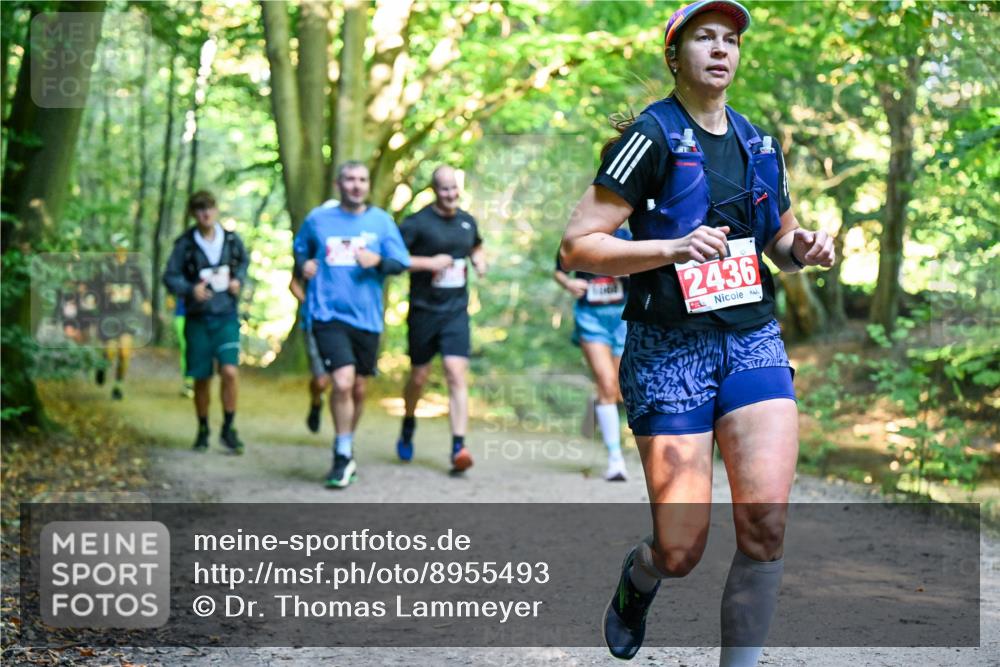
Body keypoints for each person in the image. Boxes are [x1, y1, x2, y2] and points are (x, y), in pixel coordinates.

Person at [559, 2, 834, 663]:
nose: (721, 49)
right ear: (675, 54)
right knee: (681, 548)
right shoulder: (651, 137)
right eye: (704, 37)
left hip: (751, 340)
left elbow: (778, 240)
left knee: (765, 525)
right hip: (667, 349)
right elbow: (578, 245)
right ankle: (642, 575)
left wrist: (807, 247)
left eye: (731, 39)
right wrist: (674, 248)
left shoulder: (759, 143)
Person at [293, 162, 410, 488]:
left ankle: (345, 441)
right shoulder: (318, 219)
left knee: (358, 388)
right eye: (349, 179)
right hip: (327, 313)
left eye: (361, 180)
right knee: (342, 382)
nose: (356, 185)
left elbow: (401, 263)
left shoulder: (382, 222)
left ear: (368, 185)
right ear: (338, 183)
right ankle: (342, 455)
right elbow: (300, 253)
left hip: (367, 318)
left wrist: (378, 261)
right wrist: (306, 267)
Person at [395, 165, 486, 473]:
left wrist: (479, 261)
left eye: (454, 188)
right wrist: (428, 262)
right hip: (423, 311)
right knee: (418, 377)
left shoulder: (466, 221)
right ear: (434, 190)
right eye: (445, 189)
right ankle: (408, 422)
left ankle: (459, 447)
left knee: (455, 372)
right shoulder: (417, 223)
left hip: (455, 312)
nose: (451, 195)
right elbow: (393, 258)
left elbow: (476, 244)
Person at [163, 191, 249, 454]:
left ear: (216, 209)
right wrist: (190, 290)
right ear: (193, 213)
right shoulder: (185, 245)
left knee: (230, 372)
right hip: (197, 318)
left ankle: (229, 427)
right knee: (202, 377)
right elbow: (170, 277)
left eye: (209, 208)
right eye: (200, 209)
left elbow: (244, 264)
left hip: (226, 316)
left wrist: (238, 281)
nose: (205, 214)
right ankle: (202, 428)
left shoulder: (232, 240)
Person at [553, 226, 631, 481]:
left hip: (623, 317)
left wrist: (627, 271)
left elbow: (645, 265)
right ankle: (615, 459)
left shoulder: (626, 236)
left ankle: (597, 404)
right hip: (591, 318)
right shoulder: (577, 235)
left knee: (620, 389)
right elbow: (560, 270)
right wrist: (569, 283)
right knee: (607, 384)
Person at [172, 295, 194, 398]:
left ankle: (197, 381)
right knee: (186, 348)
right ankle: (188, 382)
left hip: (201, 315)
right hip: (182, 314)